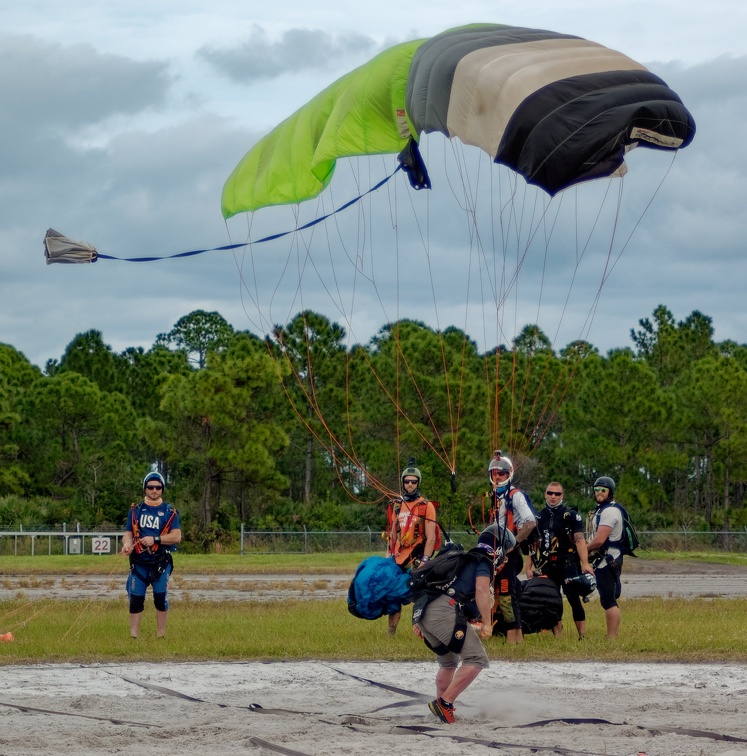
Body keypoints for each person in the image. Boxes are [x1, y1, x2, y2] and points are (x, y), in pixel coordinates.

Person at [412, 524, 513, 724]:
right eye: (506, 553)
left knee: (448, 661)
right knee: (476, 658)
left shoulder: (464, 559)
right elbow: (481, 590)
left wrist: (421, 621)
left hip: (423, 611)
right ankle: (445, 704)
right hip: (443, 610)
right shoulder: (484, 561)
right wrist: (487, 623)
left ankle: (441, 710)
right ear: (499, 550)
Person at [525, 481, 595, 639]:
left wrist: (585, 563)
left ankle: (582, 635)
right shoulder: (539, 517)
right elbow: (531, 544)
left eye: (557, 494)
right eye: (550, 493)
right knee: (551, 599)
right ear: (545, 494)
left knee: (572, 597)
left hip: (567, 562)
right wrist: (528, 567)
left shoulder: (570, 515)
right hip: (547, 564)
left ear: (562, 496)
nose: (553, 497)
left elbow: (579, 540)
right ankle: (558, 636)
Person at [121, 472, 181, 638]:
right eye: (150, 487)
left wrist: (155, 539)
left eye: (158, 487)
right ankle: (134, 636)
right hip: (139, 562)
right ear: (145, 488)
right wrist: (127, 544)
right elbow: (128, 533)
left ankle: (160, 636)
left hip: (160, 562)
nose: (154, 490)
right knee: (135, 598)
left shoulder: (170, 512)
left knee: (160, 597)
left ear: (162, 489)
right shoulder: (136, 511)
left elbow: (177, 536)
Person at [386, 462, 439, 635]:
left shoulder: (426, 506)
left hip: (417, 559)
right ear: (403, 483)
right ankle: (390, 635)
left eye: (413, 482)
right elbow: (393, 535)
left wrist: (425, 560)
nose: (410, 485)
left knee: (420, 597)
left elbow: (431, 537)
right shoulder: (398, 506)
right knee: (394, 597)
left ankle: (424, 634)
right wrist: (388, 555)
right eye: (407, 481)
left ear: (418, 483)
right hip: (399, 558)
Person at [489, 451, 536, 644]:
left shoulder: (515, 496)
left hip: (511, 554)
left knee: (507, 596)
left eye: (502, 473)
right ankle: (518, 638)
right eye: (495, 473)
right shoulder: (497, 496)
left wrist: (513, 543)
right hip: (499, 552)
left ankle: (512, 639)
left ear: (509, 474)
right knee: (510, 593)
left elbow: (530, 522)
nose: (498, 476)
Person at [585, 476, 624, 639]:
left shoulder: (609, 511)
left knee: (608, 599)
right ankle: (611, 636)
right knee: (606, 598)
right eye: (596, 490)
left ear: (610, 492)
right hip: (603, 559)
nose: (599, 492)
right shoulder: (601, 510)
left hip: (608, 559)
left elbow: (599, 540)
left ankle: (612, 637)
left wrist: (581, 551)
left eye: (603, 490)